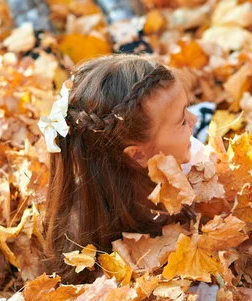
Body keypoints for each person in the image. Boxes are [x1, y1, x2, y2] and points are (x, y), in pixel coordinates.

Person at [39, 54, 198, 281]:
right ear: (138, 155)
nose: (194, 120)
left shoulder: (190, 162)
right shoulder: (93, 240)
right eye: (182, 121)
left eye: (188, 109)